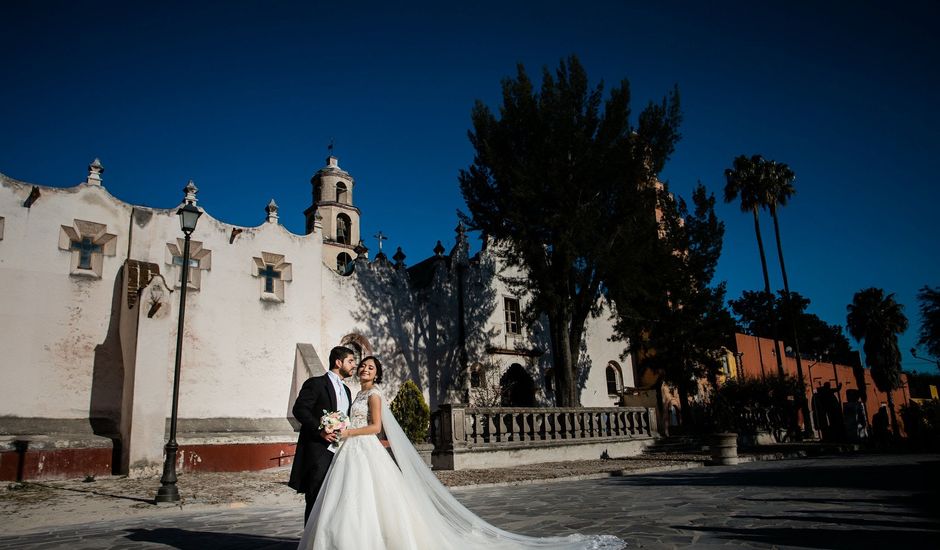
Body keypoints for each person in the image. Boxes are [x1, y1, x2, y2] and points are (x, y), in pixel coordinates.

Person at [299, 356, 625, 550]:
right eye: (363, 367)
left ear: (377, 374)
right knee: (351, 500)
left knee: (370, 498)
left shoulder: (375, 395)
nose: (365, 369)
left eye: (370, 367)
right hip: (351, 453)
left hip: (363, 447)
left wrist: (346, 432)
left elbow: (374, 428)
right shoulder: (356, 393)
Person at [288, 345, 356, 523]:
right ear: (338, 362)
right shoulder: (316, 383)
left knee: (335, 499)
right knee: (316, 497)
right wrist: (320, 431)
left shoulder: (347, 391)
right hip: (318, 451)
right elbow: (300, 409)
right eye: (350, 361)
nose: (354, 365)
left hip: (341, 451)